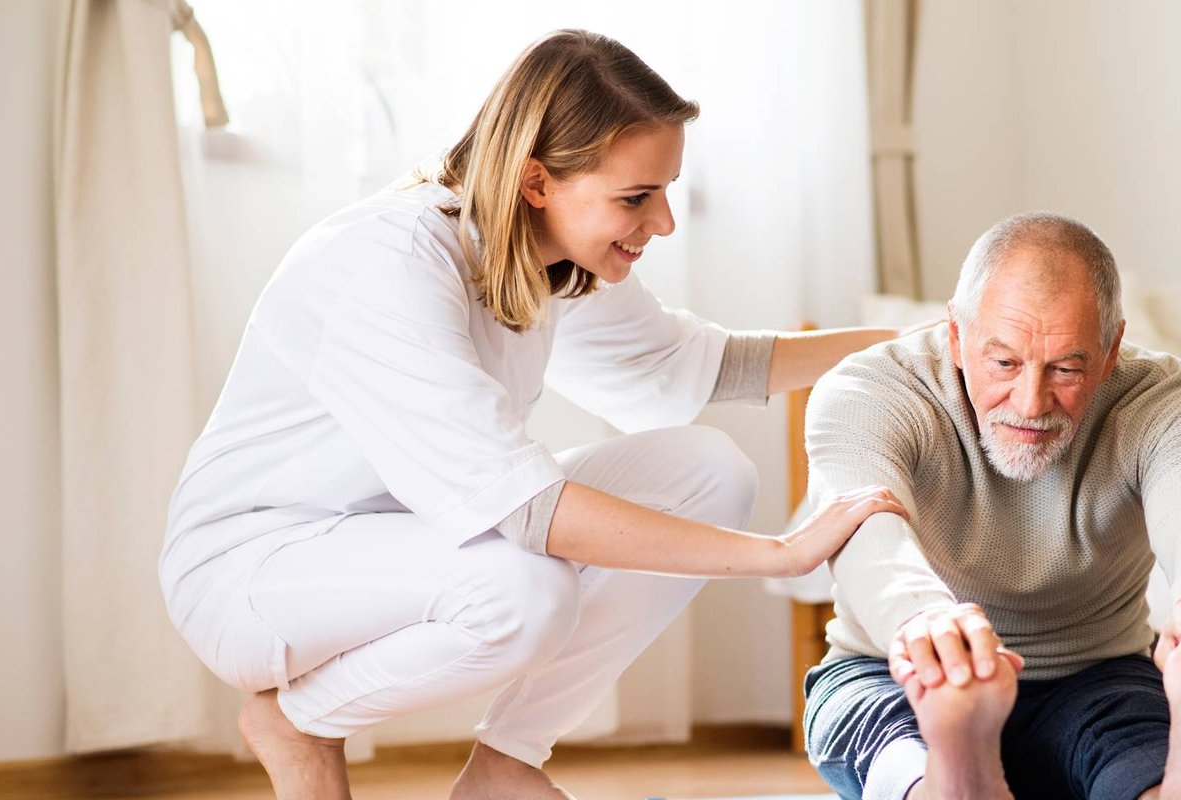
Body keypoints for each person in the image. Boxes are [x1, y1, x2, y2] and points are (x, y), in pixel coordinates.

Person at [158, 29, 907, 800]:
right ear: (536, 181)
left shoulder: (551, 255)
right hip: (253, 567)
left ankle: (506, 766)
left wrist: (915, 343)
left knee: (707, 470)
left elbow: (696, 366)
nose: (664, 224)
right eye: (635, 198)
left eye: (666, 189)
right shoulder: (389, 264)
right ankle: (301, 722)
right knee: (522, 593)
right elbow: (525, 510)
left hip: (398, 539)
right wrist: (779, 554)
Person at [801, 212, 1181, 800]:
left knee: (1133, 749)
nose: (1030, 403)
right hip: (896, 672)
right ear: (956, 336)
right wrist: (926, 625)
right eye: (1004, 363)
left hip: (1096, 679)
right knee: (897, 748)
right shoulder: (870, 390)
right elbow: (870, 534)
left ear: (1110, 352)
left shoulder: (1170, 403)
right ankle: (948, 760)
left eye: (1066, 368)